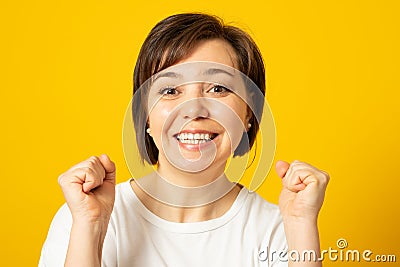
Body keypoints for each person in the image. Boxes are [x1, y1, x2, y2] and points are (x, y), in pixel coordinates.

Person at [39, 13, 329, 267]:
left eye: (218, 88)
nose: (193, 109)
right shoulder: (85, 216)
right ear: (145, 116)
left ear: (248, 114)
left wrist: (301, 226)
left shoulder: (278, 228)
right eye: (170, 91)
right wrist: (90, 228)